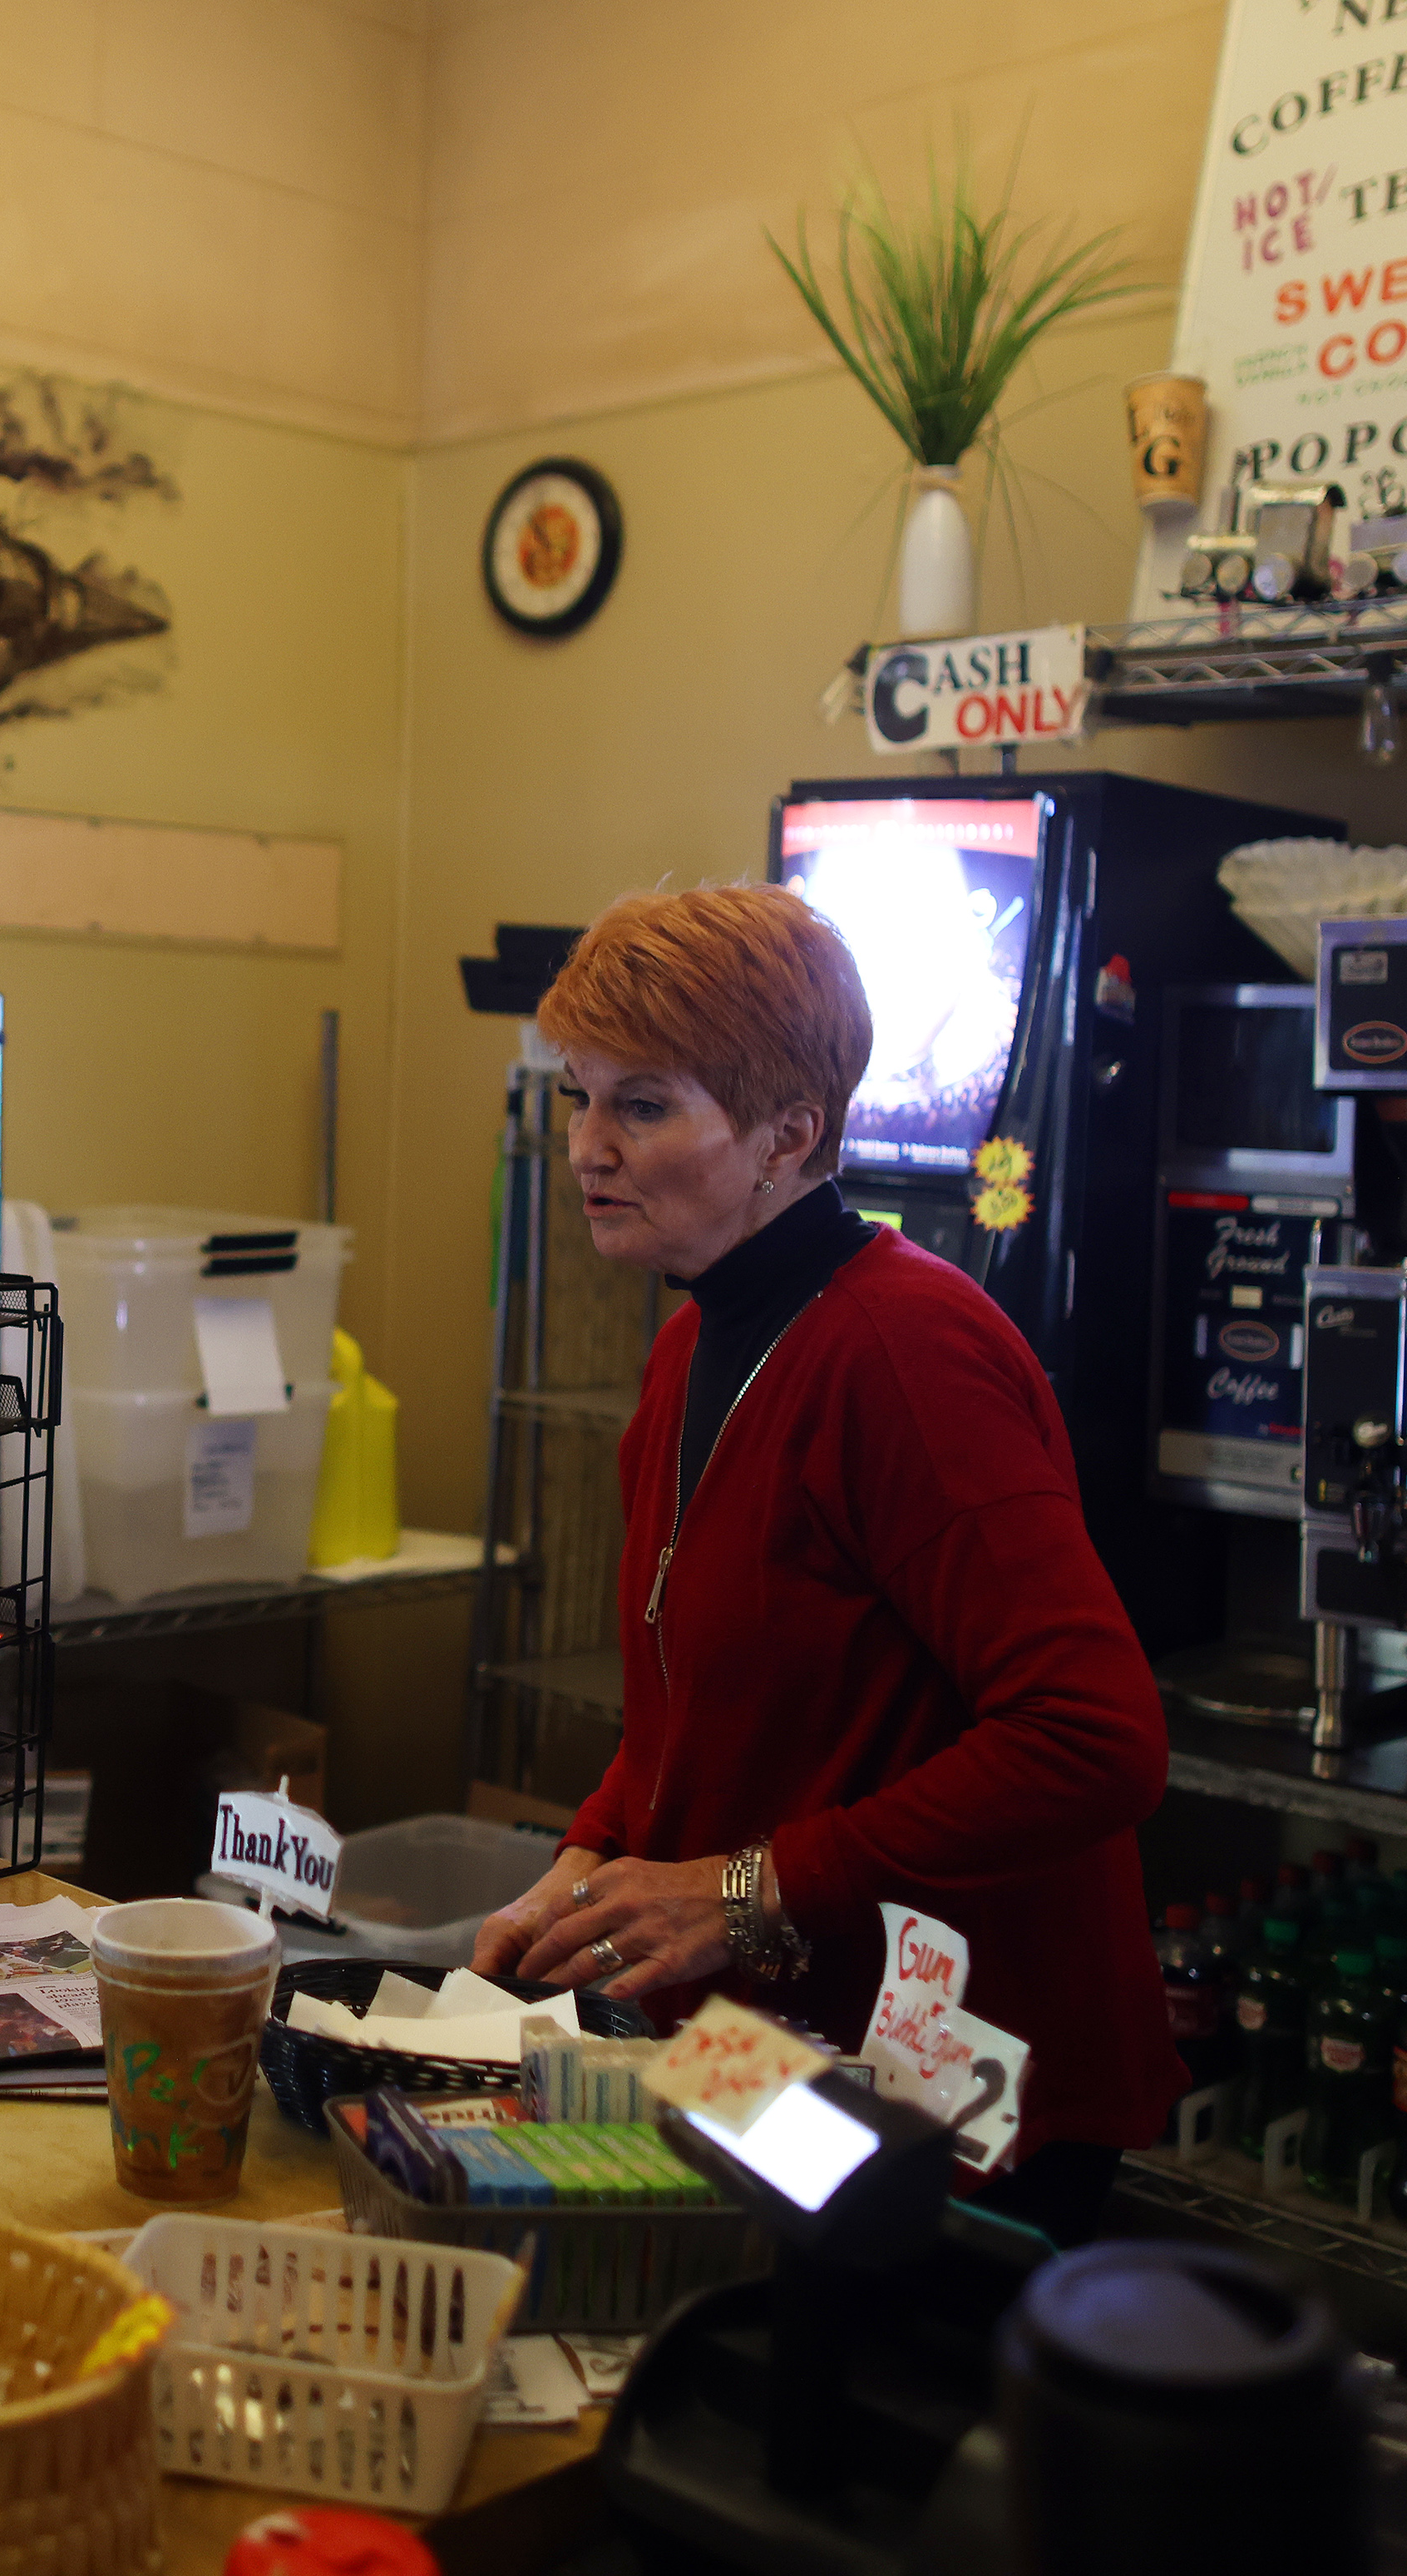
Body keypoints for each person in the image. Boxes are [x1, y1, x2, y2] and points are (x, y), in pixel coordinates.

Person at [467, 884, 1179, 2247]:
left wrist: (747, 1890)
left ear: (791, 1135)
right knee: (683, 2331)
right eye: (579, 1098)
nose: (589, 1149)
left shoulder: (906, 1354)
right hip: (766, 2043)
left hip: (952, 2095)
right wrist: (592, 1853)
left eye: (643, 1107)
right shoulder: (690, 1344)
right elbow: (701, 1706)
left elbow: (1096, 1738)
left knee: (833, 2370)